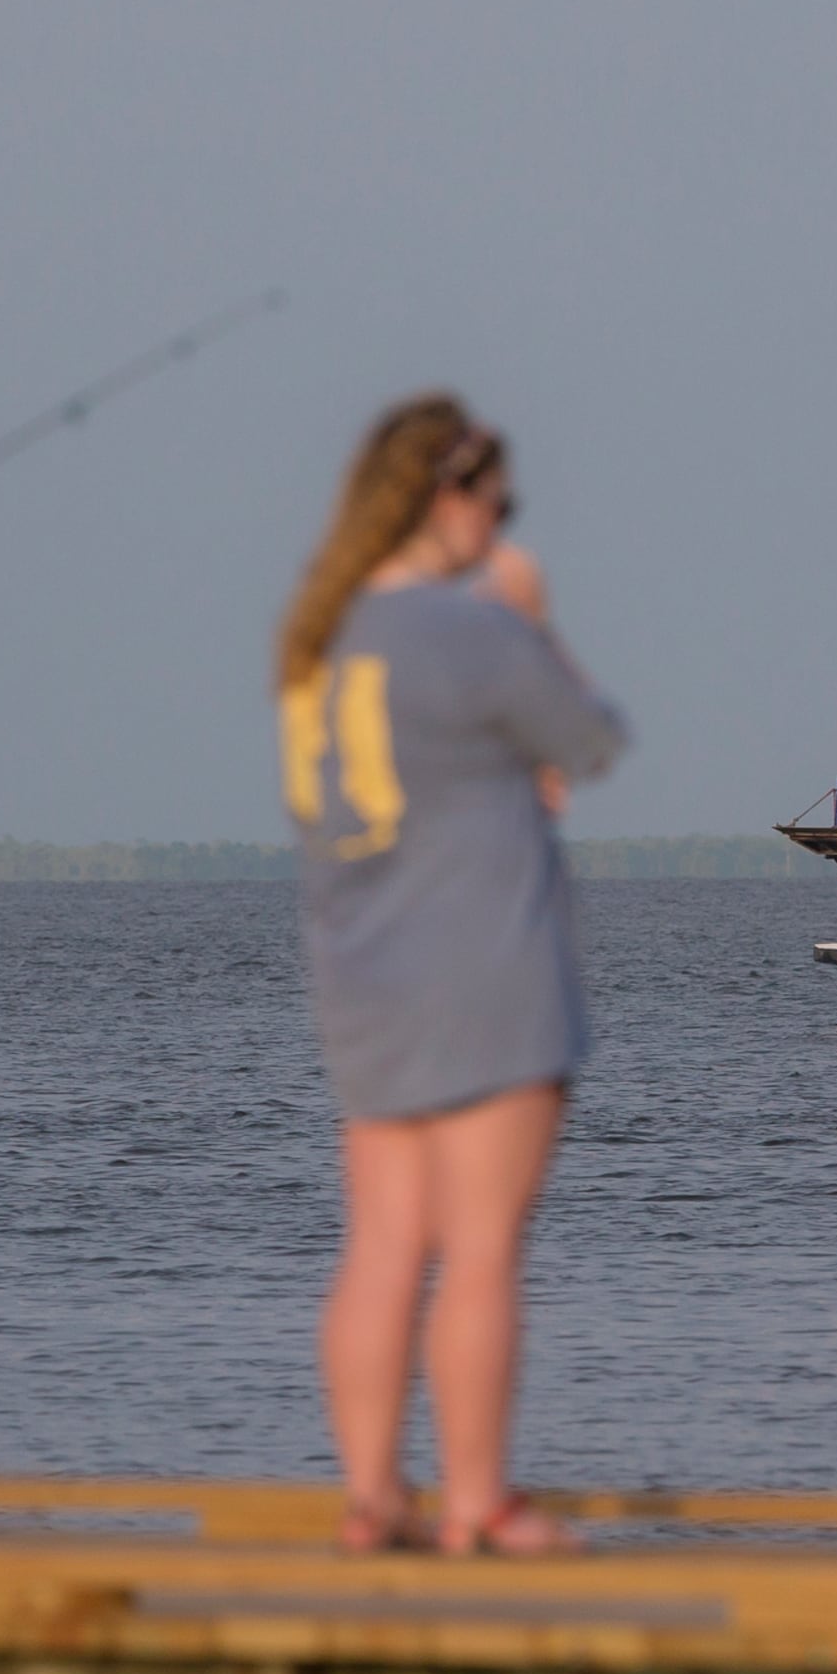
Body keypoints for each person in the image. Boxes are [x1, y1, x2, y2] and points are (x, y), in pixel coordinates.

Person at [279, 395, 626, 1557]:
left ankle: (373, 1496)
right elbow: (592, 741)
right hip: (486, 970)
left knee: (382, 1245)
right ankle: (478, 1498)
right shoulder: (472, 632)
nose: (501, 520)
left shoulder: (316, 641)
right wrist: (533, 619)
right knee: (480, 1249)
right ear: (445, 496)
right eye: (496, 498)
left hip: (362, 975)